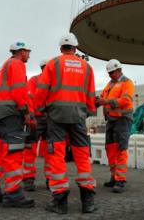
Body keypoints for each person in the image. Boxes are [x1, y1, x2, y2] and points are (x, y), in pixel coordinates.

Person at [35, 33, 97, 214]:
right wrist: (87, 112)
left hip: (56, 116)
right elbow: (91, 93)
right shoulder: (87, 67)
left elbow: (42, 90)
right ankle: (88, 202)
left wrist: (39, 109)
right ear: (75, 48)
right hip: (78, 116)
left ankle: (60, 202)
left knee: (57, 155)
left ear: (61, 48)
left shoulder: (53, 64)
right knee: (82, 154)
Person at [0, 40, 35, 208]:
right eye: (28, 51)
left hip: (0, 112)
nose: (29, 55)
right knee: (14, 150)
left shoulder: (2, 66)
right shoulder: (17, 64)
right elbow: (19, 90)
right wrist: (26, 111)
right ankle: (13, 193)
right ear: (21, 51)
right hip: (12, 113)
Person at [96, 59, 135, 193]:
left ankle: (121, 179)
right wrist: (97, 101)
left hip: (123, 119)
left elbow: (125, 101)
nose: (110, 75)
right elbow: (102, 97)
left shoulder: (127, 83)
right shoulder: (109, 84)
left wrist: (105, 101)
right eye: (109, 73)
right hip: (111, 120)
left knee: (120, 149)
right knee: (110, 148)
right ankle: (114, 177)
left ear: (119, 70)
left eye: (112, 72)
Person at [22, 59, 49, 191]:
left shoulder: (53, 82)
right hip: (36, 119)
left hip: (50, 120)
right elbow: (29, 98)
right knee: (30, 148)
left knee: (51, 150)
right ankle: (28, 178)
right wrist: (31, 116)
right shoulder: (34, 81)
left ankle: (51, 178)